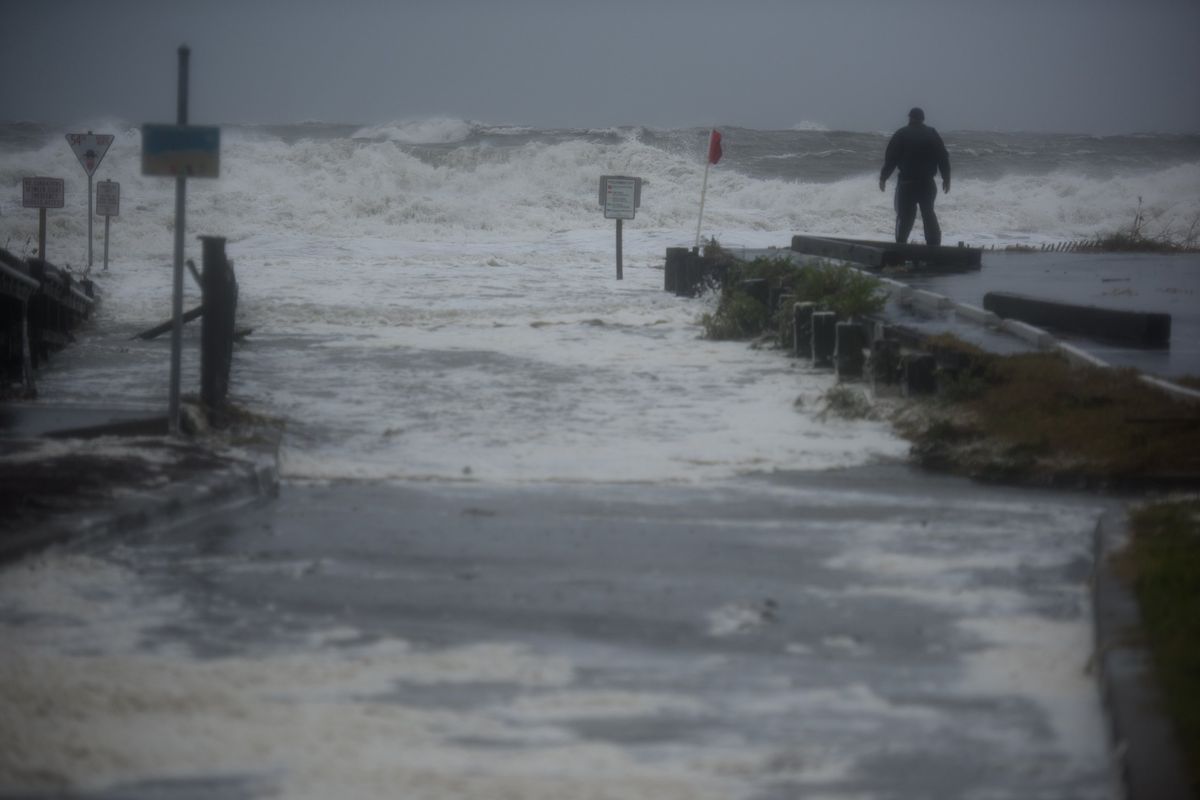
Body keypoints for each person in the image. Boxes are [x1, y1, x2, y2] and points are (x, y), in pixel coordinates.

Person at [879, 107, 951, 246]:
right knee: (928, 214)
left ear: (910, 118)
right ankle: (934, 247)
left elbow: (891, 158)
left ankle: (900, 246)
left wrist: (883, 177)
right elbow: (943, 157)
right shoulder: (932, 133)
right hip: (927, 184)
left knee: (905, 217)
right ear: (922, 119)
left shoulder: (901, 133)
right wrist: (946, 178)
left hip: (907, 184)